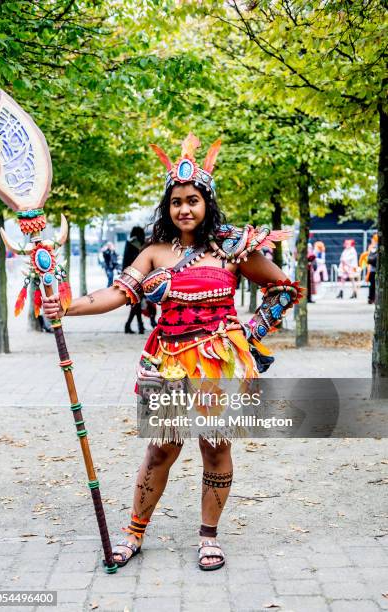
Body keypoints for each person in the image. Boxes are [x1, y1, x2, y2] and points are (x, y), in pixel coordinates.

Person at [42, 133, 302, 571]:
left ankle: (208, 537)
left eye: (193, 200)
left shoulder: (231, 249)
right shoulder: (154, 254)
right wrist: (67, 307)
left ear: (208, 203)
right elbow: (115, 293)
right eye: (177, 200)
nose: (185, 208)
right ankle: (134, 532)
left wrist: (248, 333)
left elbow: (283, 289)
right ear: (167, 207)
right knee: (161, 449)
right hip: (167, 363)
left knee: (216, 448)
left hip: (218, 365)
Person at [122, 227, 146, 334]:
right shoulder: (139, 244)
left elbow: (125, 260)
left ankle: (133, 325)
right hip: (139, 276)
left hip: (129, 276)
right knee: (136, 302)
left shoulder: (129, 243)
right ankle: (137, 326)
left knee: (136, 302)